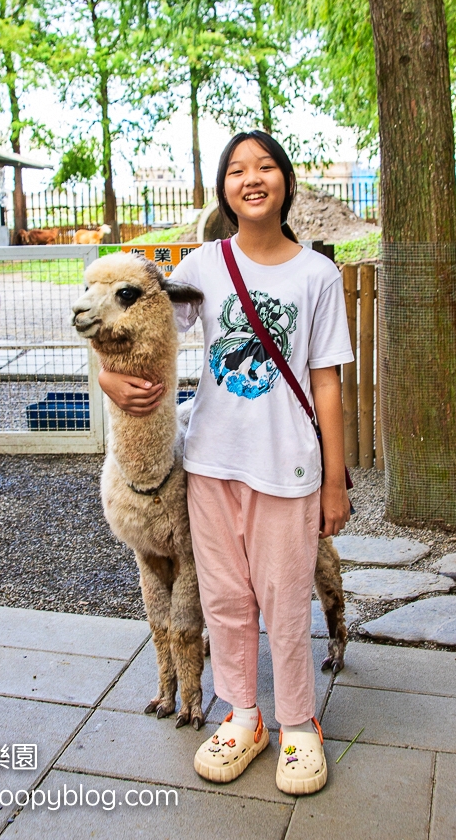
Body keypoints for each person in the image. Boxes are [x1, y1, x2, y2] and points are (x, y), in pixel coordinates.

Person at [98, 131, 354, 795]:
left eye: (265, 166)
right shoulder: (205, 266)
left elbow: (326, 381)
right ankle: (244, 714)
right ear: (223, 189)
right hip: (211, 465)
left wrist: (334, 481)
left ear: (284, 182)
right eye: (237, 169)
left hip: (288, 471)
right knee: (226, 600)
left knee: (283, 602)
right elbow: (138, 327)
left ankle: (299, 722)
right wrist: (107, 379)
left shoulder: (315, 275)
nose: (251, 178)